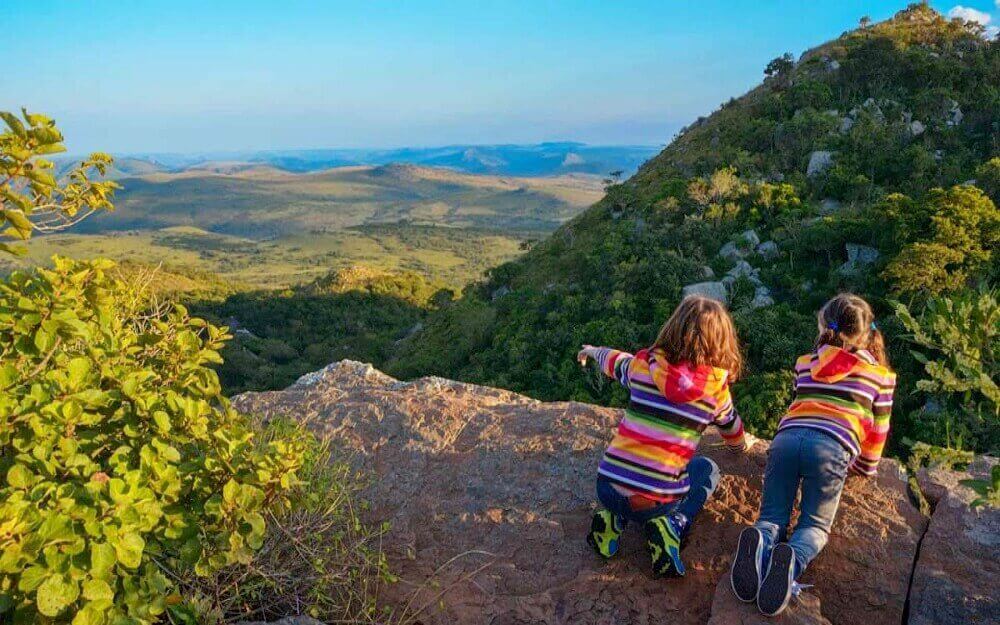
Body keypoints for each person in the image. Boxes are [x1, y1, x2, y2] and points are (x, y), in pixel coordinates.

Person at [730, 293, 896, 616]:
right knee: (815, 526)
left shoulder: (805, 363)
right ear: (868, 332)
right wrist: (865, 467)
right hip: (832, 448)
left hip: (786, 440)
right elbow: (878, 433)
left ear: (825, 326)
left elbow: (800, 401)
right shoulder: (881, 377)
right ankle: (791, 558)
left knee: (772, 516)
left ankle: (762, 539)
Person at [579, 295, 750, 578]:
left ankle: (613, 518)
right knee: (707, 469)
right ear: (722, 343)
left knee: (628, 475)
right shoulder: (716, 390)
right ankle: (673, 525)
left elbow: (614, 360)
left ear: (672, 328)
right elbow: (731, 427)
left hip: (606, 488)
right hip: (656, 503)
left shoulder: (644, 366)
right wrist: (740, 446)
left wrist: (592, 351)